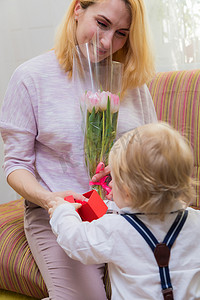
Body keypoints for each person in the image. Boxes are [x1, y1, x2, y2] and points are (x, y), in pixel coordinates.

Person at [0, 0, 157, 299]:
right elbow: (16, 165)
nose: (108, 42)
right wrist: (49, 200)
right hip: (61, 215)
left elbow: (149, 152)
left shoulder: (133, 82)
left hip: (125, 212)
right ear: (77, 9)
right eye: (102, 23)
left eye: (122, 33)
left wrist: (131, 169)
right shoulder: (30, 77)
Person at [48, 122, 200, 300]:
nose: (110, 184)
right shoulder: (195, 221)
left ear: (128, 192)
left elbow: (75, 240)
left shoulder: (114, 229)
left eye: (115, 179)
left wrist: (62, 211)